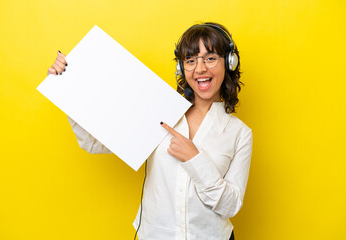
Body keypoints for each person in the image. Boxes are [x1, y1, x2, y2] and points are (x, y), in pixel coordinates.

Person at [47, 22, 252, 240]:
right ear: (182, 68)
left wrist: (195, 158)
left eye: (210, 58)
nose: (200, 69)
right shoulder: (159, 113)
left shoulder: (240, 133)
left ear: (229, 63)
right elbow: (92, 143)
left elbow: (230, 206)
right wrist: (68, 85)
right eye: (190, 61)